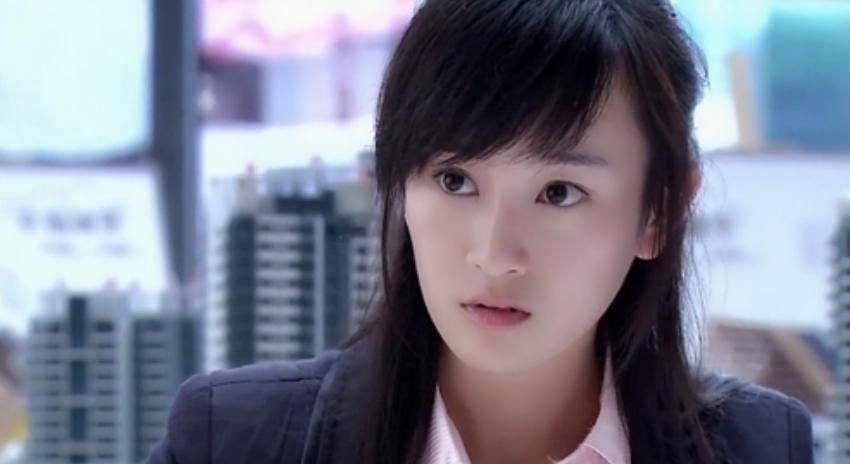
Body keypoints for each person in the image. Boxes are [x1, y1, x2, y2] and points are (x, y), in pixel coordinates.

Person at [147, 1, 814, 463]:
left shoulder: (760, 448)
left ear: (659, 213)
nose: (494, 255)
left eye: (559, 193)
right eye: (455, 181)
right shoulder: (231, 441)